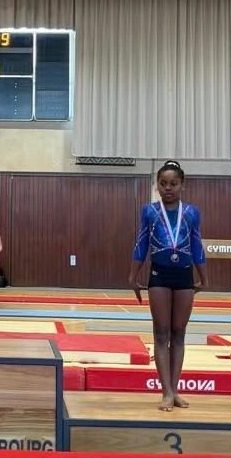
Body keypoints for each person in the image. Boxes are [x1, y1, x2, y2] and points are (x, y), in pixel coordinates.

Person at [129, 160, 208, 411]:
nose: (168, 188)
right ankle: (166, 392)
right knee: (161, 332)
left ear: (182, 185)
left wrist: (204, 277)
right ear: (157, 185)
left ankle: (175, 390)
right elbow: (142, 243)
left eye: (173, 184)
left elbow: (196, 245)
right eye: (163, 184)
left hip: (184, 275)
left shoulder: (192, 212)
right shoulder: (150, 211)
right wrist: (133, 276)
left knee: (179, 332)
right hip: (159, 275)